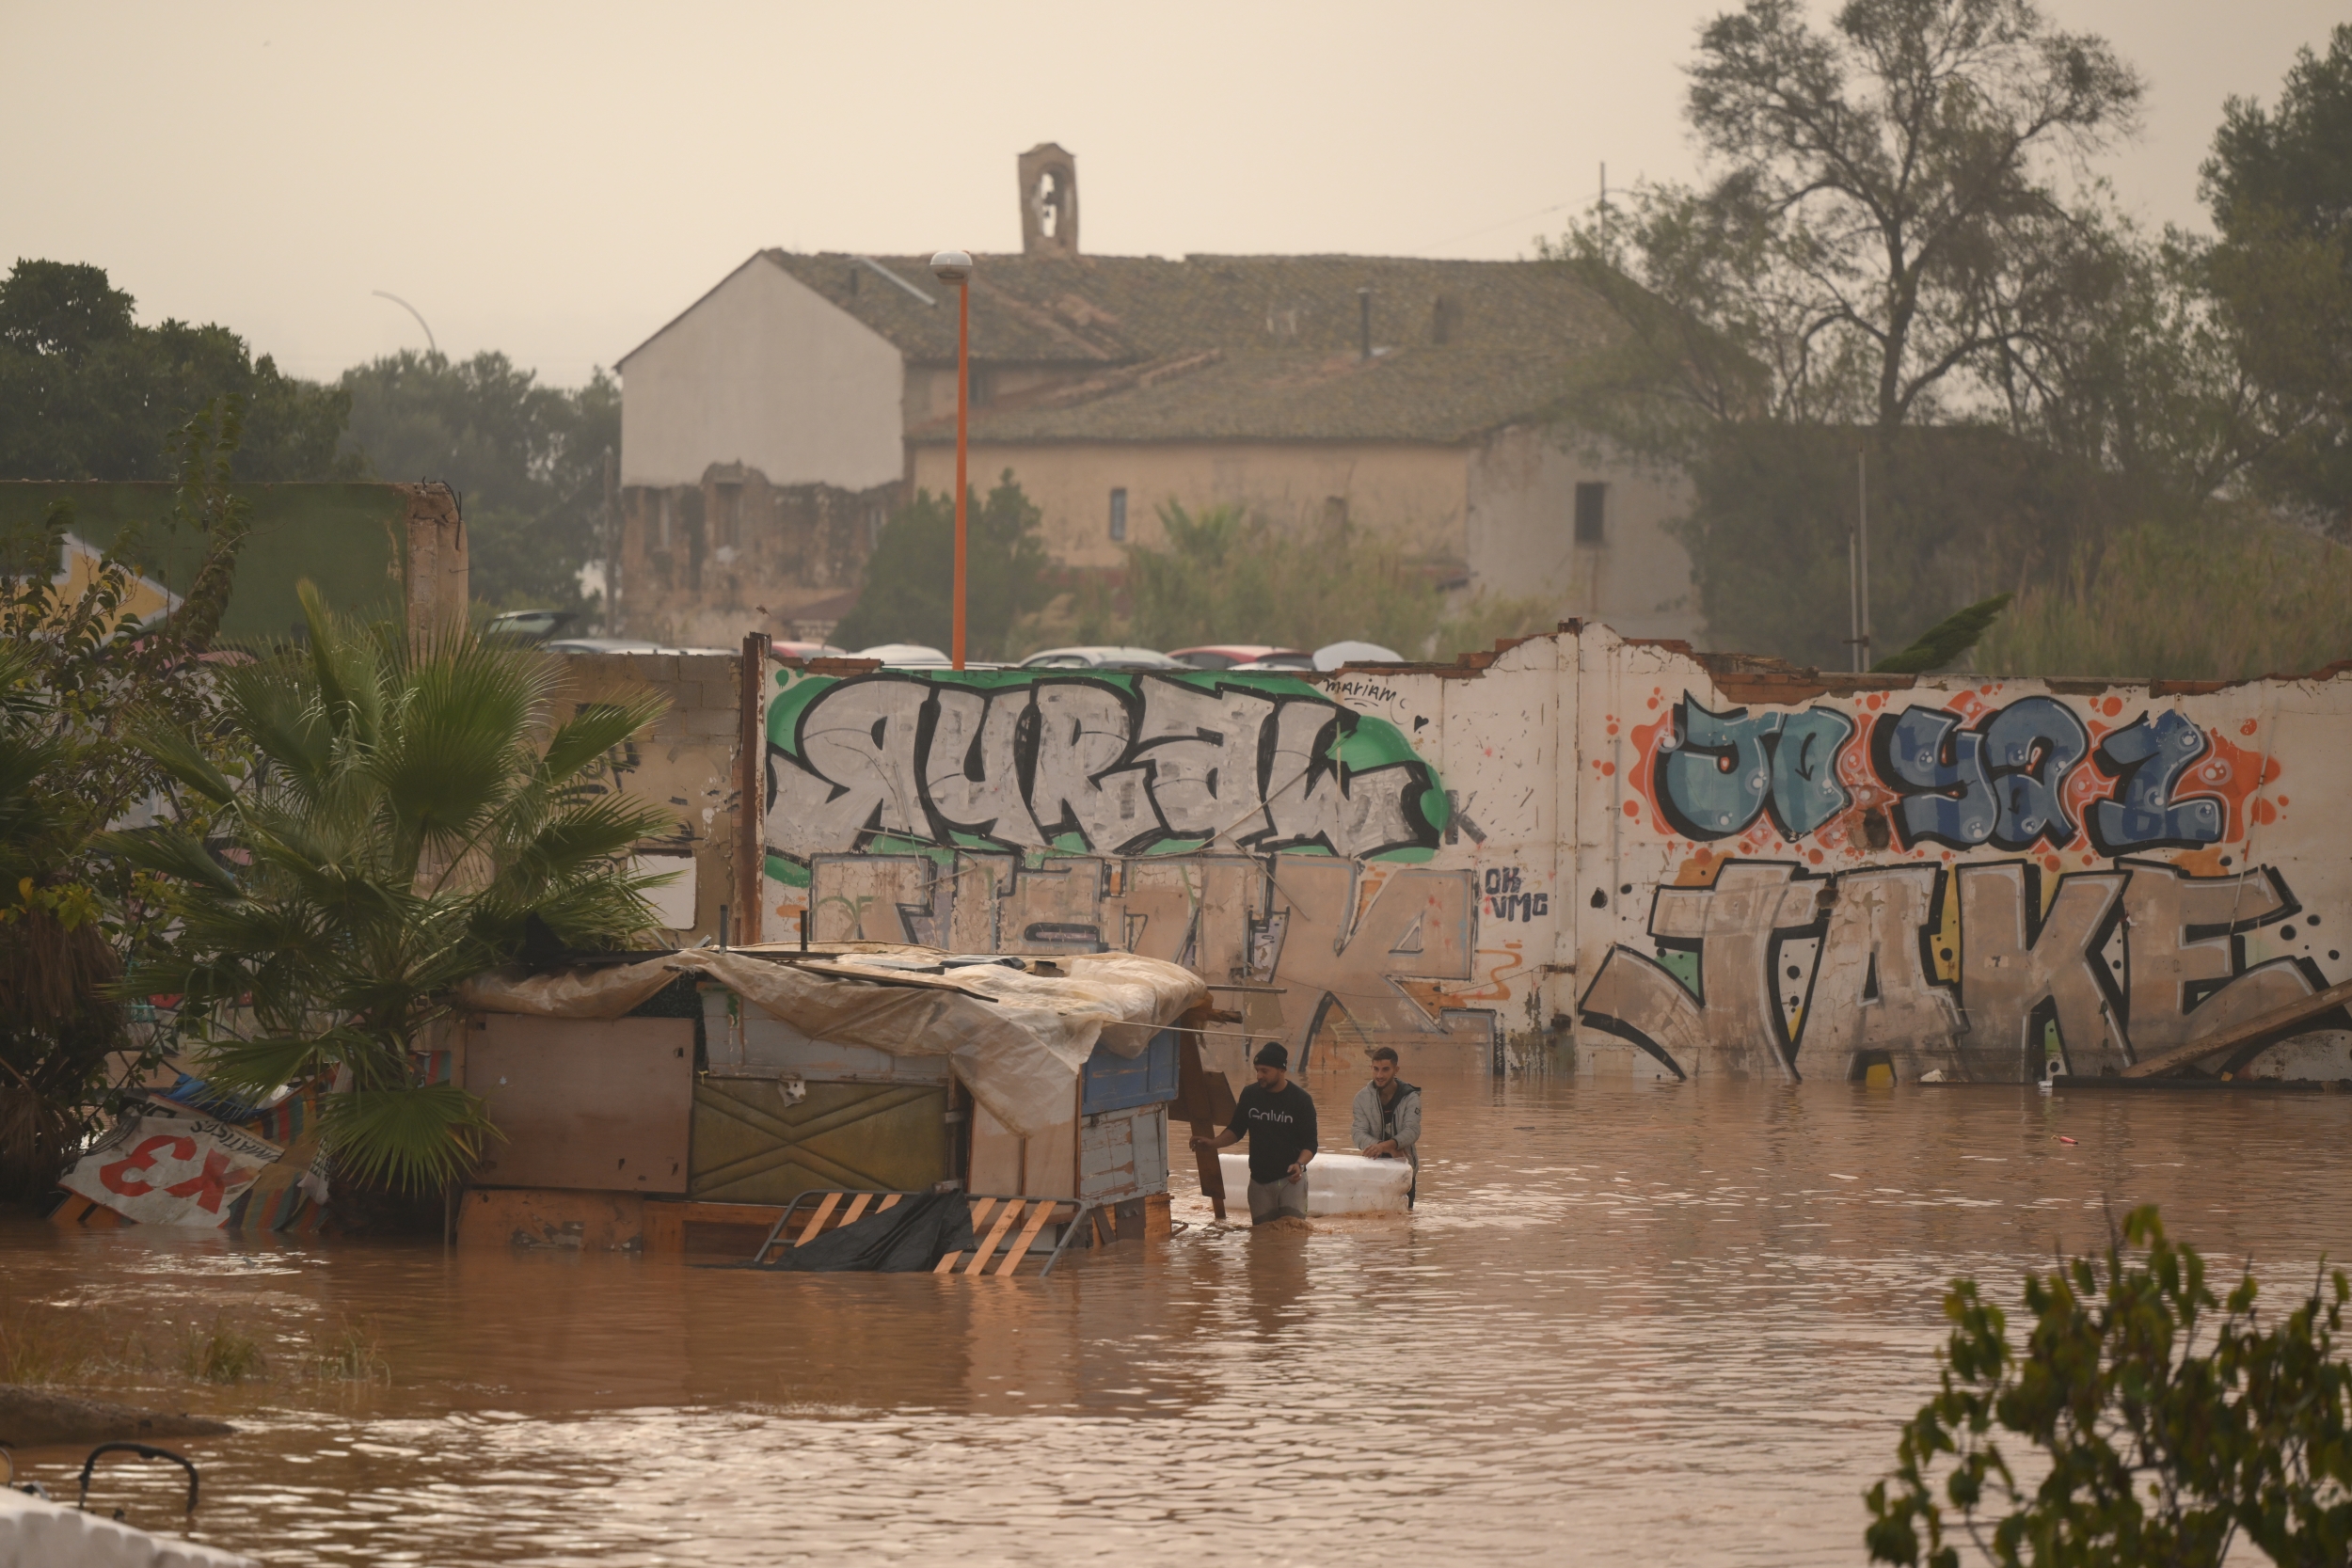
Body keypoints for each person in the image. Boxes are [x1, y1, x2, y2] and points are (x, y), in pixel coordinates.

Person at [1192, 1040, 1317, 1224]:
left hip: (1290, 1181)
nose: (1259, 1075)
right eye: (1257, 1070)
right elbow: (1236, 1130)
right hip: (1259, 1182)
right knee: (1261, 1240)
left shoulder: (1301, 1100)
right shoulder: (1250, 1095)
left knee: (1293, 1238)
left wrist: (1300, 1164)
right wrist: (1212, 1143)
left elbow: (1310, 1144)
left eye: (1264, 1071)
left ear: (1281, 1070)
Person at [1351, 1047, 1422, 1207]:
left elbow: (1412, 1131)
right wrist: (1384, 1148)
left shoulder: (1410, 1097)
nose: (1379, 1075)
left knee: (1405, 1224)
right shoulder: (1361, 1098)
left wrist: (1388, 1145)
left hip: (1405, 1168)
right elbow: (1357, 1133)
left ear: (1396, 1070)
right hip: (1373, 1169)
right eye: (1375, 1069)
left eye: (1385, 1070)